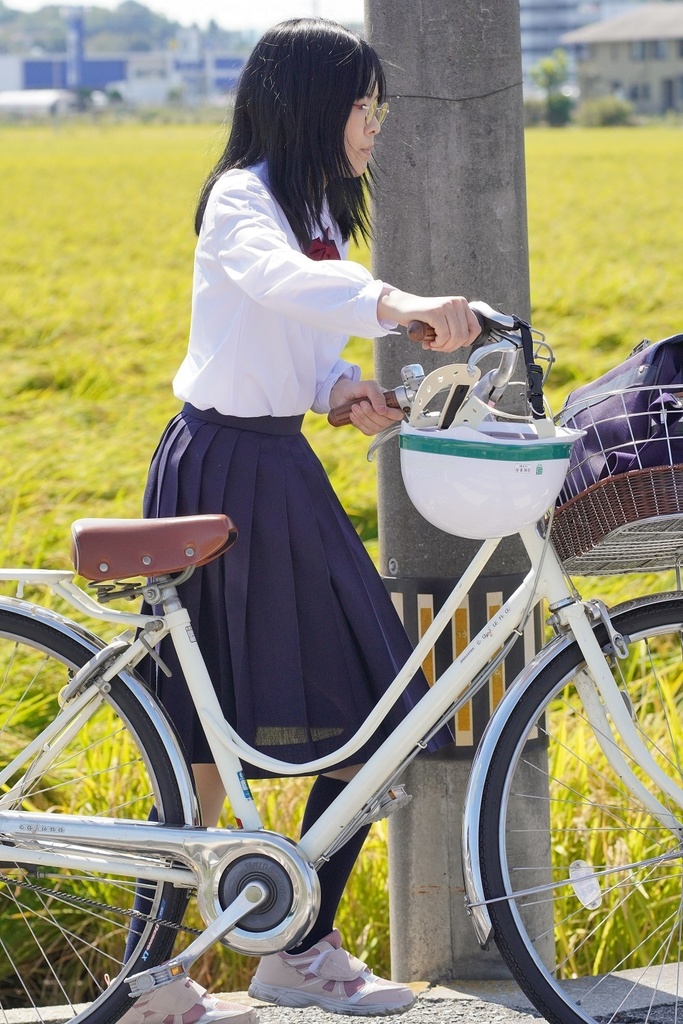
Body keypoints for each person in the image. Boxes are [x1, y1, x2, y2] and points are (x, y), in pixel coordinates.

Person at [122, 16, 481, 1024]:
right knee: (195, 737)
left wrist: (333, 390)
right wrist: (397, 300)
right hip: (224, 469)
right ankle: (154, 969)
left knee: (379, 711)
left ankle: (295, 944)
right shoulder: (242, 199)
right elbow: (279, 285)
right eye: (363, 107)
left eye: (377, 108)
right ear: (315, 106)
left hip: (274, 460)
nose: (373, 126)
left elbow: (283, 322)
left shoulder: (311, 205)